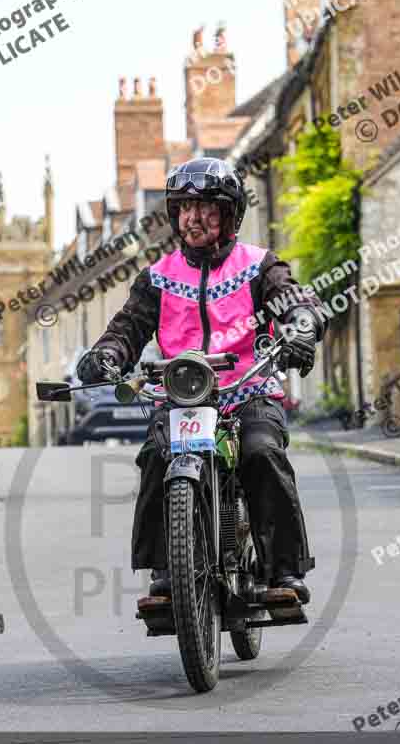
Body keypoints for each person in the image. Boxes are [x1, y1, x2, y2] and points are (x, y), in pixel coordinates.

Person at [77, 157, 326, 604]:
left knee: (262, 452)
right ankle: (165, 573)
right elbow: (127, 329)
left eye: (206, 206)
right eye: (184, 208)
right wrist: (106, 355)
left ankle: (283, 570)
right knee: (156, 454)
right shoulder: (157, 277)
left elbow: (296, 300)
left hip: (248, 391)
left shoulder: (259, 265)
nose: (192, 217)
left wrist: (302, 326)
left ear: (229, 214)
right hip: (183, 397)